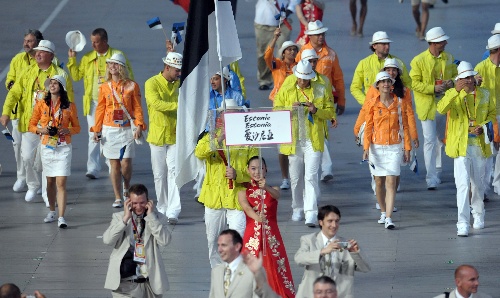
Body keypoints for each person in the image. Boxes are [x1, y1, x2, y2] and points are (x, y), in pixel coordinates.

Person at [0, 40, 73, 203]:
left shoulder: (60, 74)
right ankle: (33, 185)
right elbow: (14, 93)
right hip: (31, 123)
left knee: (46, 160)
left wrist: (66, 124)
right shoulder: (28, 72)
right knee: (26, 156)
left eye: (42, 52)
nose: (37, 54)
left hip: (51, 125)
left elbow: (69, 100)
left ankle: (48, 194)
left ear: (51, 55)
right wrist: (5, 112)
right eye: (36, 52)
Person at [195, 99, 258, 268]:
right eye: (226, 113)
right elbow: (199, 153)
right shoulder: (210, 137)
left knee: (237, 239)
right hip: (214, 199)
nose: (229, 117)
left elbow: (256, 172)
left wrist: (238, 175)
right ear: (221, 116)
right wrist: (218, 139)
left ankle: (235, 271)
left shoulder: (248, 139)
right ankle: (218, 272)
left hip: (237, 199)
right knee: (213, 239)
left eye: (233, 113)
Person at [437, 61, 495, 237]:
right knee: (462, 185)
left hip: (478, 145)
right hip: (460, 147)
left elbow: (492, 114)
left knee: (477, 184)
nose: (468, 81)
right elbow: (441, 108)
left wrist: (483, 127)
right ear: (459, 80)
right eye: (464, 78)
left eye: (470, 77)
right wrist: (455, 91)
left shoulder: (485, 94)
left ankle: (478, 214)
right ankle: (462, 222)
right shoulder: (453, 94)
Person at [274, 60, 335, 226]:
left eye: (305, 79)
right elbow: (276, 109)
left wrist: (316, 110)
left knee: (311, 176)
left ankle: (311, 212)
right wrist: (289, 108)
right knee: (295, 177)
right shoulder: (287, 86)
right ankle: (297, 208)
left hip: (313, 139)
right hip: (294, 139)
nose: (302, 81)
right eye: (300, 78)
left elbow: (330, 112)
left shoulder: (321, 88)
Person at [67, 28, 134, 180]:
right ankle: (93, 168)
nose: (93, 45)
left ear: (105, 41)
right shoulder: (87, 58)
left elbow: (129, 76)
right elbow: (77, 76)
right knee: (94, 134)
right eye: (91, 42)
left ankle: (112, 165)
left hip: (113, 103)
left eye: (96, 42)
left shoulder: (117, 55)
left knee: (111, 133)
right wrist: (72, 60)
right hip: (93, 103)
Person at [354, 58, 418, 208]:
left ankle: (390, 199)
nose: (391, 72)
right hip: (378, 137)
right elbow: (366, 110)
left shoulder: (404, 91)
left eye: (394, 70)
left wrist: (414, 135)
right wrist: (357, 129)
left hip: (398, 133)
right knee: (378, 177)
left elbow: (409, 114)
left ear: (398, 73)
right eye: (388, 69)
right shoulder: (374, 89)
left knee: (396, 170)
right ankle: (382, 199)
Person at [90, 53, 146, 208]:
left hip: (127, 128)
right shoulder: (104, 87)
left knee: (126, 162)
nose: (112, 67)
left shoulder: (132, 86)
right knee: (114, 164)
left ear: (121, 67)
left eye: (115, 64)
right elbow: (100, 108)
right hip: (109, 129)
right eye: (110, 64)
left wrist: (139, 124)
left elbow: (137, 107)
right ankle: (117, 196)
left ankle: (126, 186)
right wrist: (96, 129)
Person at [238, 156, 295, 297]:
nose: (257, 172)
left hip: (271, 234)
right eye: (253, 168)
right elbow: (247, 208)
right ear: (248, 170)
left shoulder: (273, 189)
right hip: (252, 233)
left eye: (260, 168)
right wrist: (257, 218)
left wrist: (266, 187)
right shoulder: (242, 192)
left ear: (266, 169)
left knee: (275, 264)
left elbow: (277, 195)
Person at [29, 75, 80, 228]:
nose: (52, 85)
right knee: (50, 181)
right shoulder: (41, 104)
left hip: (63, 147)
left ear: (61, 87)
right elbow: (31, 125)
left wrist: (67, 130)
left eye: (55, 83)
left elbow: (77, 128)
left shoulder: (69, 106)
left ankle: (61, 217)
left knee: (61, 182)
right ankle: (52, 210)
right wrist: (41, 130)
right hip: (47, 146)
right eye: (50, 83)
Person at [410, 27, 457, 190]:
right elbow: (414, 83)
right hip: (427, 107)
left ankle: (437, 170)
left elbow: (455, 75)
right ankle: (430, 176)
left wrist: (451, 82)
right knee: (429, 140)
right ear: (433, 43)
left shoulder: (449, 57)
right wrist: (432, 88)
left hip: (443, 105)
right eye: (442, 41)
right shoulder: (418, 60)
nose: (446, 43)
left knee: (440, 139)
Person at [103, 184, 171, 297]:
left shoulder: (157, 218)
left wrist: (151, 218)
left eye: (142, 203)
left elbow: (165, 241)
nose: (138, 207)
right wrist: (125, 219)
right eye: (134, 203)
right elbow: (107, 240)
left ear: (148, 202)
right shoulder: (119, 217)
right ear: (128, 202)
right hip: (125, 284)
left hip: (150, 283)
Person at [362, 71, 411, 229]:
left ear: (392, 85)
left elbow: (405, 126)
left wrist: (407, 148)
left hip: (394, 147)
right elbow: (368, 126)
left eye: (388, 81)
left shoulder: (399, 103)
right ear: (377, 85)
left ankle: (389, 217)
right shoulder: (372, 104)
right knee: (378, 182)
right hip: (376, 147)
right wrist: (366, 147)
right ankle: (383, 211)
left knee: (391, 181)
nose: (386, 84)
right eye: (382, 81)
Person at [294, 205, 370, 298]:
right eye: (330, 221)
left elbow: (365, 268)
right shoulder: (309, 240)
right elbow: (299, 258)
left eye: (337, 221)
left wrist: (355, 253)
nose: (334, 225)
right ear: (321, 222)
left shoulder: (346, 244)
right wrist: (322, 251)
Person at [145, 52, 183, 224]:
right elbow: (156, 104)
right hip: (157, 136)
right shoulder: (151, 83)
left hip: (175, 135)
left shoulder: (180, 84)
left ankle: (173, 210)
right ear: (167, 67)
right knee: (160, 174)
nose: (179, 73)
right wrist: (179, 106)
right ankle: (162, 205)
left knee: (174, 171)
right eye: (177, 70)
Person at [5, 29, 44, 194]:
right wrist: (12, 85)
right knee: (18, 145)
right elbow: (9, 79)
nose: (25, 44)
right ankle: (21, 176)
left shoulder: (45, 59)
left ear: (38, 43)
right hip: (18, 110)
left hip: (37, 112)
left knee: (37, 149)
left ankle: (37, 179)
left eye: (29, 41)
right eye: (25, 40)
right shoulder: (17, 59)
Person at [265, 28, 300, 190]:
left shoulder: (299, 67)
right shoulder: (276, 65)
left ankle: (297, 175)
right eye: (289, 50)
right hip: (279, 107)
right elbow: (267, 56)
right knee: (282, 145)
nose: (292, 52)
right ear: (283, 53)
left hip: (296, 106)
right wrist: (274, 38)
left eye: (294, 49)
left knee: (298, 143)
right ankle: (285, 177)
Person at [209, 229, 280, 298]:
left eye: (224, 245)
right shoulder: (216, 271)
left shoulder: (252, 271)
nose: (219, 249)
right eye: (218, 245)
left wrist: (258, 275)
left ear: (237, 246)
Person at [297, 20, 345, 116]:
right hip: (304, 99)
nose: (321, 37)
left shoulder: (331, 54)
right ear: (310, 36)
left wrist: (341, 101)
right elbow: (295, 76)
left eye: (323, 34)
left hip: (324, 100)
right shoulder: (301, 53)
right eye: (318, 34)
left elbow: (338, 79)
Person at [350, 31, 411, 106]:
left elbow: (408, 84)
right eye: (384, 44)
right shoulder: (364, 63)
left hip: (393, 109)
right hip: (372, 110)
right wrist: (367, 103)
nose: (387, 47)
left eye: (388, 44)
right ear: (374, 46)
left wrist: (400, 101)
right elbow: (355, 88)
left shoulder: (398, 62)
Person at [475, 35, 500, 196]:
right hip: (487, 117)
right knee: (488, 153)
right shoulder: (480, 68)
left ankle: (497, 184)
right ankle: (483, 188)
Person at [254, 0, 294, 90]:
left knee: (284, 51)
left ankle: (282, 79)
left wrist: (290, 8)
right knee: (264, 53)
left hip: (282, 22)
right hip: (263, 23)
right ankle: (264, 80)